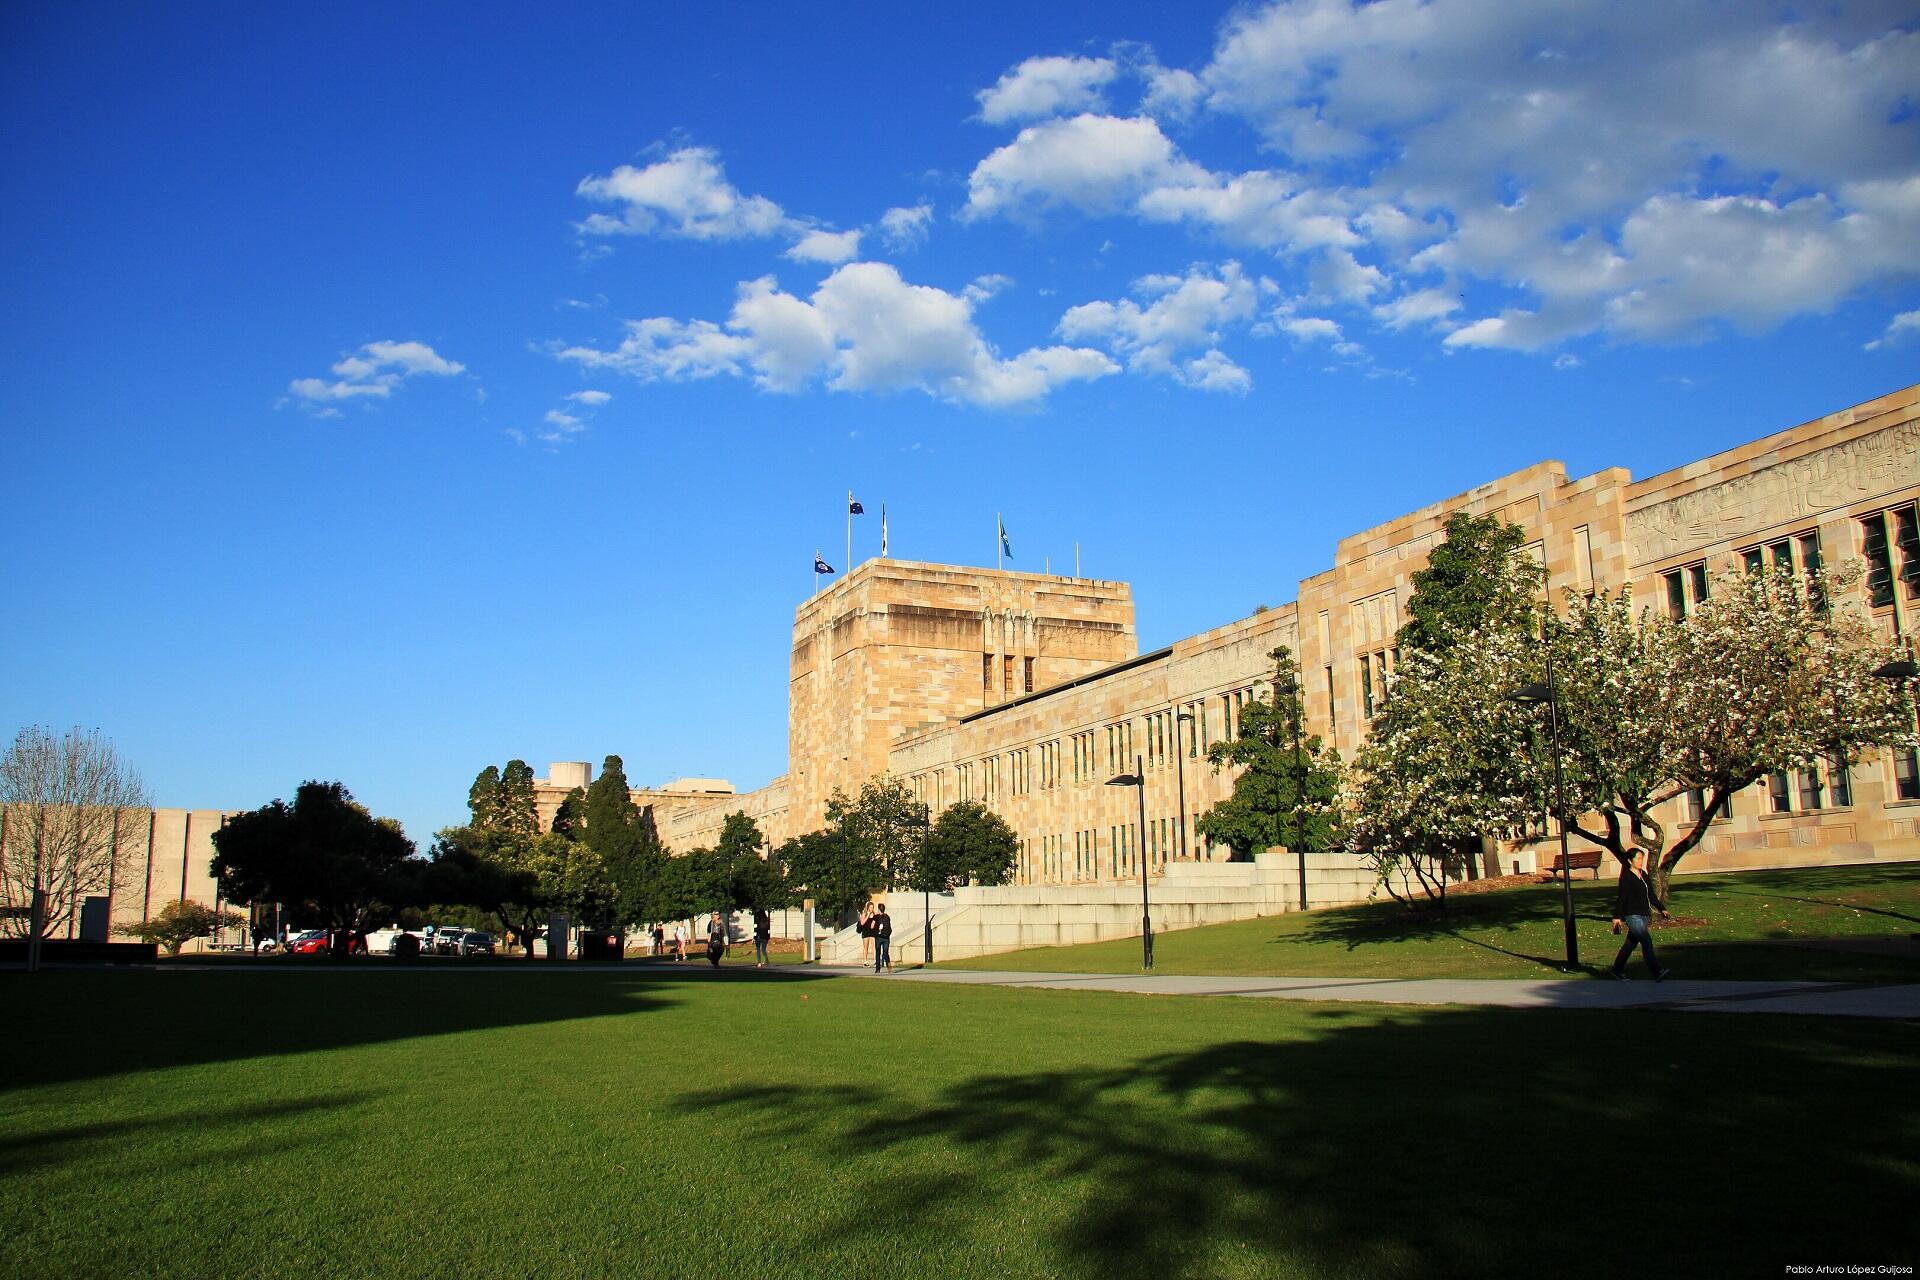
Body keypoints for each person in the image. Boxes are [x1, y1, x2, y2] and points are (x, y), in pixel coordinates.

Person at [1611, 847, 1673, 981]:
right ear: (1630, 860)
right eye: (1638, 859)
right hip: (1632, 916)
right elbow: (1622, 898)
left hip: (1644, 915)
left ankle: (1617, 969)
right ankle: (1657, 972)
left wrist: (1662, 908)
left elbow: (1651, 894)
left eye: (1641, 858)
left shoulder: (1643, 874)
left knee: (1630, 944)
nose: (1640, 861)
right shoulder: (1626, 877)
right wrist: (1617, 917)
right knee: (1646, 941)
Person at [871, 903, 892, 973]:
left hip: (878, 937)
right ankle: (889, 967)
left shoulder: (876, 917)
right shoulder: (887, 917)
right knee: (886, 953)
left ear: (879, 909)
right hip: (886, 937)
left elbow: (872, 926)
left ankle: (877, 969)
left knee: (878, 953)